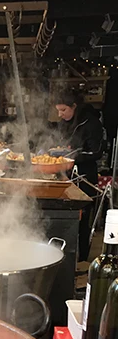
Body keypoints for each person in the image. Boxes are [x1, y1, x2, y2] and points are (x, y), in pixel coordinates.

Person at [55, 90, 104, 261]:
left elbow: (97, 152)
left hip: (84, 175)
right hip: (65, 174)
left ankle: (82, 259)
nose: (60, 115)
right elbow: (60, 143)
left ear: (74, 107)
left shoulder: (91, 123)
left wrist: (74, 156)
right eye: (58, 111)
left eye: (63, 110)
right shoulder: (63, 122)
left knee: (83, 219)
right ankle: (63, 255)